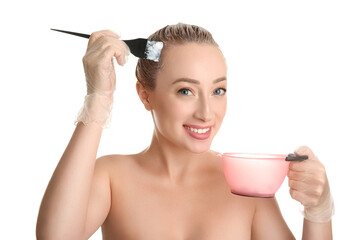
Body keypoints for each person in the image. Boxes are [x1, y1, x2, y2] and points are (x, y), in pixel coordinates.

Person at [36, 23, 334, 239]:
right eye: (186, 91)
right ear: (145, 95)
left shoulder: (245, 187)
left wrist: (318, 213)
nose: (206, 113)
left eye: (218, 90)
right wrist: (98, 100)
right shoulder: (113, 177)